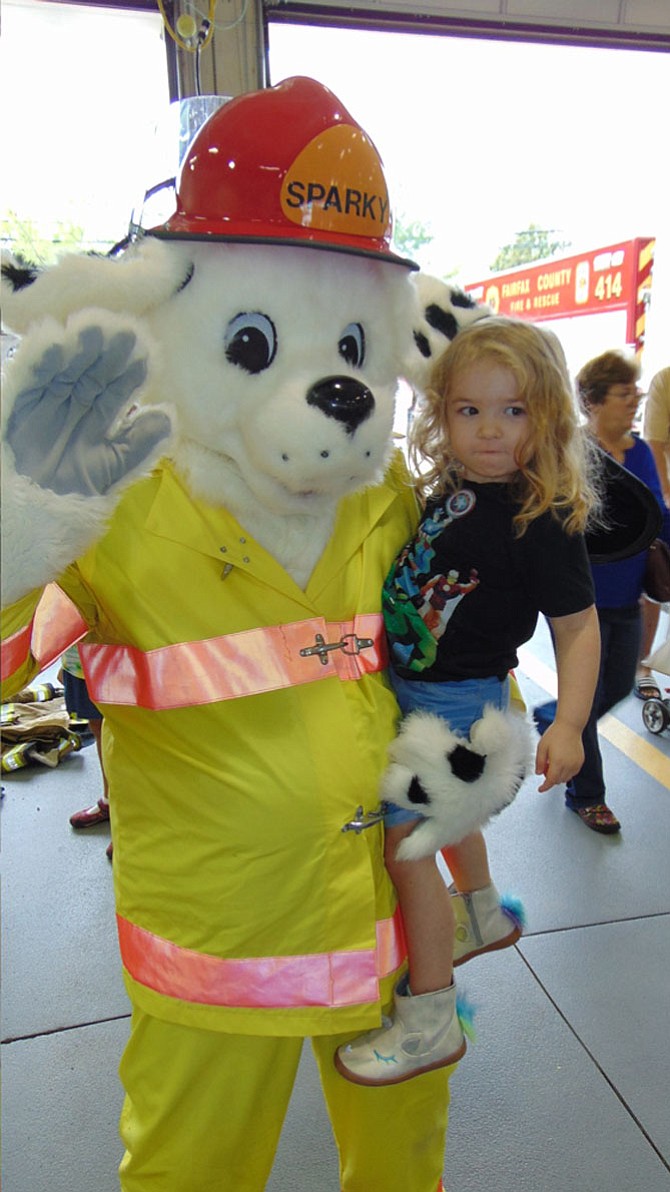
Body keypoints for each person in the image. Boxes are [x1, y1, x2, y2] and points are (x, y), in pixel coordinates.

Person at [336, 317, 601, 1086]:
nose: (488, 430)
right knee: (435, 837)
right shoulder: (450, 489)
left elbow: (579, 630)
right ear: (441, 413)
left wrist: (573, 725)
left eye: (513, 411)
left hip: (459, 709)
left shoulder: (538, 515)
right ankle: (481, 911)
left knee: (408, 853)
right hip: (418, 693)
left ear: (547, 416)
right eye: (469, 410)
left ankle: (430, 1017)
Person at [564, 351, 670, 832]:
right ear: (592, 401)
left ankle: (556, 716)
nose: (635, 402)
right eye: (624, 394)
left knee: (619, 686)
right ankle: (587, 795)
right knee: (584, 700)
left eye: (635, 393)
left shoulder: (642, 452)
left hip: (628, 592)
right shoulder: (574, 452)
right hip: (579, 597)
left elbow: (657, 516)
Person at [62, 643, 113, 860]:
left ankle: (135, 819)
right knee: (97, 724)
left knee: (129, 730)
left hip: (117, 646)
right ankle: (110, 800)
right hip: (79, 650)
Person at [638, 366, 670, 699]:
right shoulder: (665, 382)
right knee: (655, 584)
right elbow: (655, 445)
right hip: (669, 501)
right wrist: (665, 497)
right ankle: (642, 665)